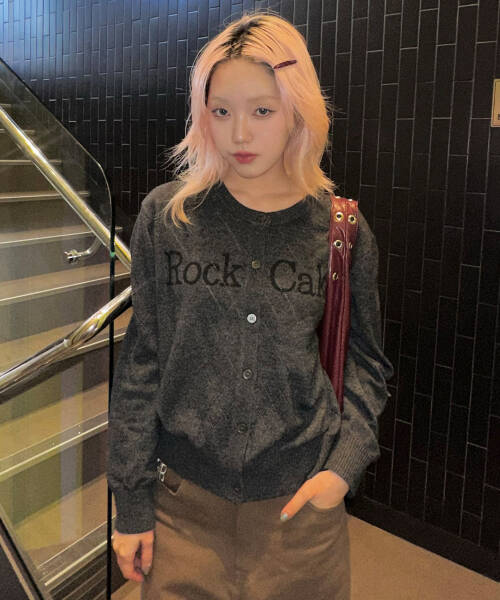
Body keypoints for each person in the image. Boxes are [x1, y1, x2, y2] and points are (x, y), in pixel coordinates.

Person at [108, 10, 393, 600]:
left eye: (262, 111)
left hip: (300, 518)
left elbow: (367, 363)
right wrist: (131, 504)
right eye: (221, 111)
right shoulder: (167, 218)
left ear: (297, 112)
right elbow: (141, 363)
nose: (239, 134)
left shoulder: (340, 230)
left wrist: (342, 470)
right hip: (180, 513)